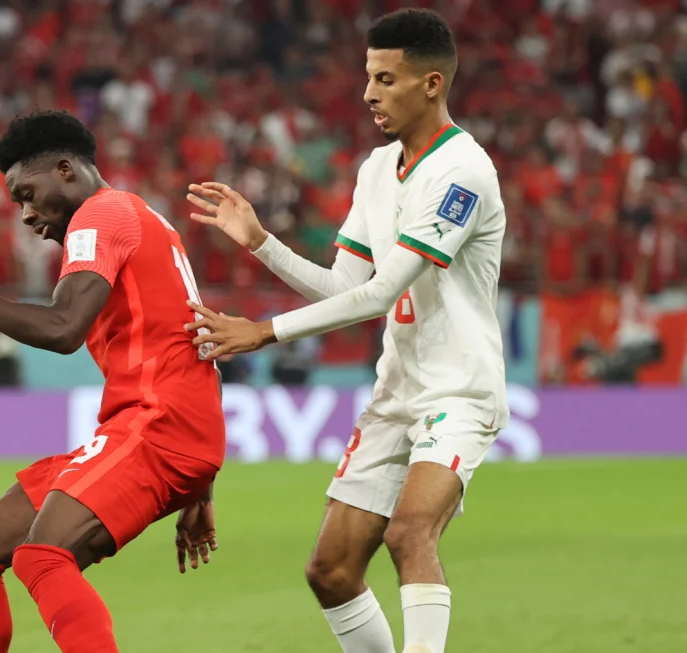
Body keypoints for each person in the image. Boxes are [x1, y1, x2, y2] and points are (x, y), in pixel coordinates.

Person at [184, 9, 506, 653]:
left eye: (386, 79)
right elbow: (345, 286)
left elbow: (382, 293)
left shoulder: (463, 174)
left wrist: (265, 331)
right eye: (368, 77)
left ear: (432, 84)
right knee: (330, 571)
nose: (368, 93)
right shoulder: (376, 169)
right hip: (397, 390)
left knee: (410, 532)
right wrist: (262, 244)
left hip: (458, 391)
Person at [0, 110, 224, 653]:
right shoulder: (144, 220)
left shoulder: (100, 215)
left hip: (155, 425)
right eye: (17, 202)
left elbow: (63, 329)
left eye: (27, 193)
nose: (25, 214)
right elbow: (201, 347)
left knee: (42, 556)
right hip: (162, 428)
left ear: (66, 169)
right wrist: (198, 487)